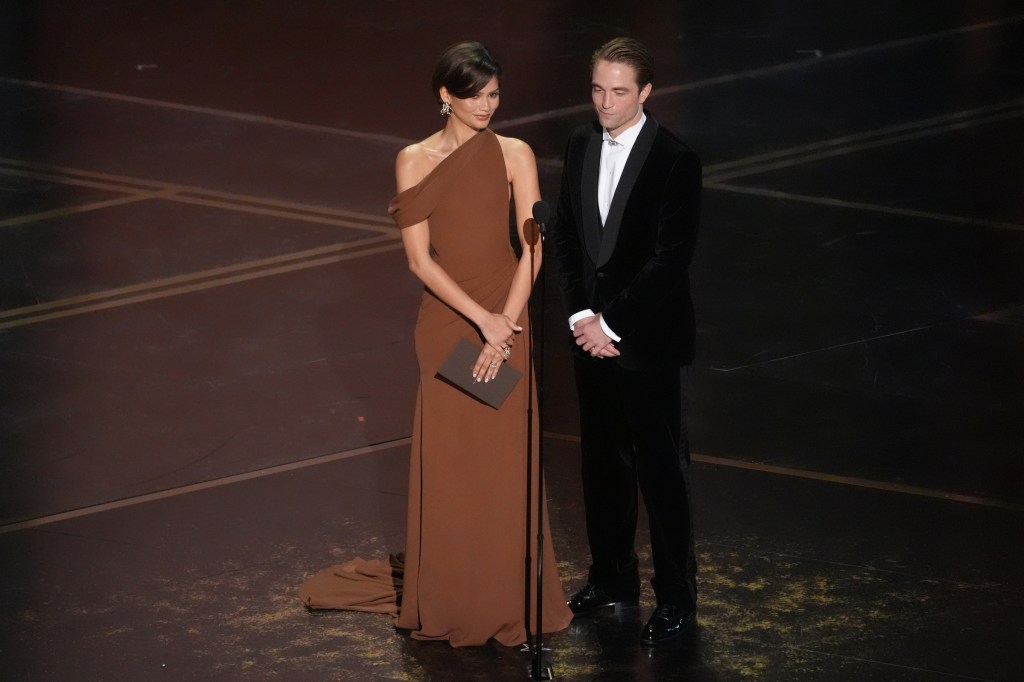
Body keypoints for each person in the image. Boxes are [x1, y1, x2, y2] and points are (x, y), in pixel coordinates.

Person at [298, 41, 573, 648]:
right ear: (444, 95)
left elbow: (534, 244)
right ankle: (453, 598)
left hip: (512, 313)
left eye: (495, 93)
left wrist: (505, 322)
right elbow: (420, 262)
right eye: (474, 94)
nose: (486, 105)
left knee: (506, 463)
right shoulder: (414, 160)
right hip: (451, 321)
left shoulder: (515, 152)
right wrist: (483, 322)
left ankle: (509, 597)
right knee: (455, 464)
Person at [551, 37, 702, 645]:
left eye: (618, 92)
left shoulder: (675, 160)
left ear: (644, 92)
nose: (605, 103)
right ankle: (612, 577)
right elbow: (565, 236)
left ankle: (676, 597)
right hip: (591, 337)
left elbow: (670, 261)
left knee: (661, 472)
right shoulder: (581, 143)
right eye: (597, 89)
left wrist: (609, 324)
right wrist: (581, 316)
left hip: (644, 342)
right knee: (602, 465)